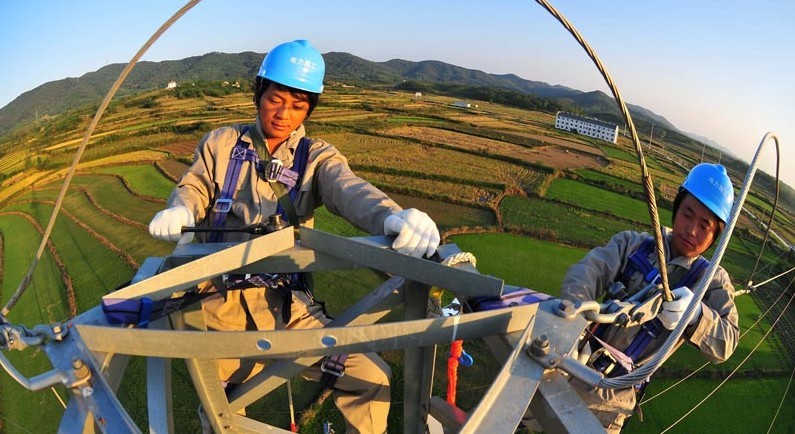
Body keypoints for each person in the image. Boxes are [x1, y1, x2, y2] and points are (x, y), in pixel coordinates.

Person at [148, 39, 440, 433]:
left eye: (298, 105)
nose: (283, 114)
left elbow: (348, 188)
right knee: (221, 415)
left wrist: (391, 215)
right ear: (259, 93)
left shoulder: (316, 157)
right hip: (216, 309)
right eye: (275, 99)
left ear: (309, 109)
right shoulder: (221, 144)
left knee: (371, 378)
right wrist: (182, 209)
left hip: (288, 309)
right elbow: (195, 185)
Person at [560, 163, 739, 432]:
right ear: (677, 208)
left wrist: (696, 316)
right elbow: (586, 273)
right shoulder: (632, 245)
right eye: (687, 214)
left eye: (705, 226)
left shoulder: (712, 282)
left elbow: (727, 342)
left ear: (716, 236)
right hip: (575, 364)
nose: (692, 230)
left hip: (613, 401)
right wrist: (572, 328)